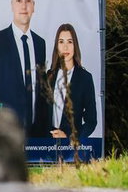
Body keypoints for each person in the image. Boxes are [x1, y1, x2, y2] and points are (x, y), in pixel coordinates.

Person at [0, 0, 48, 137]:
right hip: (6, 136)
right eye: (19, 0)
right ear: (12, 5)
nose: (23, 6)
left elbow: (41, 94)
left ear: (33, 6)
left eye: (28, 1)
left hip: (36, 138)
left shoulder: (40, 44)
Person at [42, 23, 98, 154]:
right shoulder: (48, 77)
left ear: (75, 46)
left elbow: (91, 121)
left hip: (71, 151)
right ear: (57, 46)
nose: (65, 47)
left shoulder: (85, 78)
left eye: (70, 41)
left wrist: (71, 139)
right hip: (45, 147)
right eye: (61, 42)